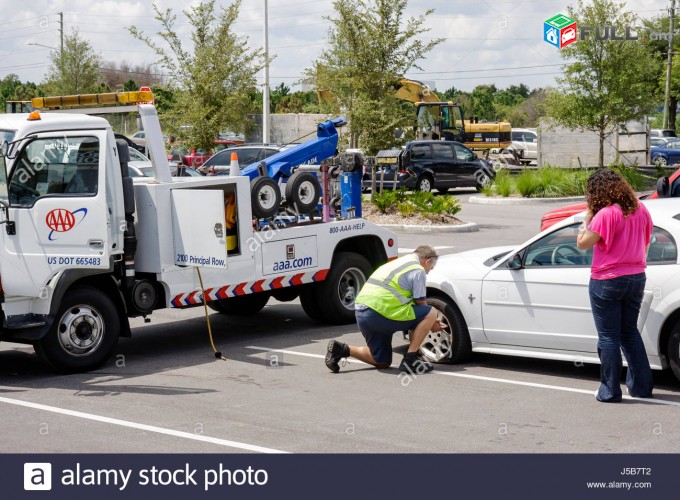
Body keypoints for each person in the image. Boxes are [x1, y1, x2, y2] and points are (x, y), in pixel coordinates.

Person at [576, 169, 654, 402]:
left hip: (607, 280)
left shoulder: (606, 214)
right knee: (629, 332)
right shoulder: (641, 210)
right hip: (637, 276)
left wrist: (586, 219)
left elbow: (582, 244)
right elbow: (647, 241)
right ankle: (641, 387)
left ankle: (610, 391)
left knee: (609, 337)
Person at [325, 245, 445, 374]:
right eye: (430, 268)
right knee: (430, 312)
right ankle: (410, 360)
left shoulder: (397, 263)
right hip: (380, 313)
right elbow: (421, 303)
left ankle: (341, 349)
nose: (428, 272)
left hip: (362, 312)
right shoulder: (418, 270)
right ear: (427, 261)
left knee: (382, 361)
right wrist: (433, 323)